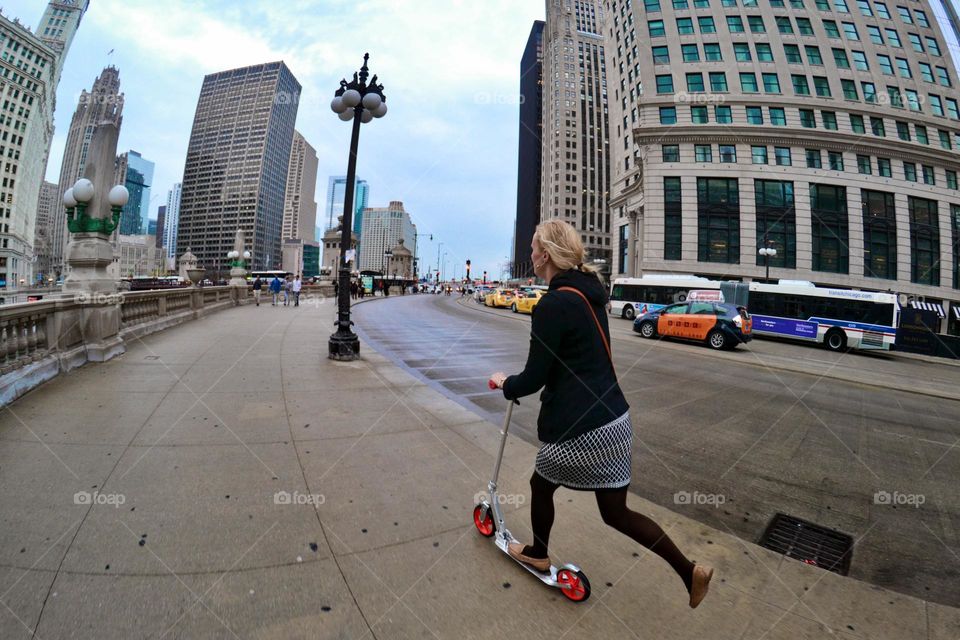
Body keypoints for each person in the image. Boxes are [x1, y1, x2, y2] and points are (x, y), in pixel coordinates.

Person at [489, 220, 713, 610]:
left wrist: (504, 382)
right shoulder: (589, 296)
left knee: (541, 484)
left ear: (546, 254)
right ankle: (689, 570)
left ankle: (539, 552)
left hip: (583, 427)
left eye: (532, 247)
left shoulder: (553, 305)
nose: (529, 254)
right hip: (615, 420)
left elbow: (534, 378)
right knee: (616, 513)